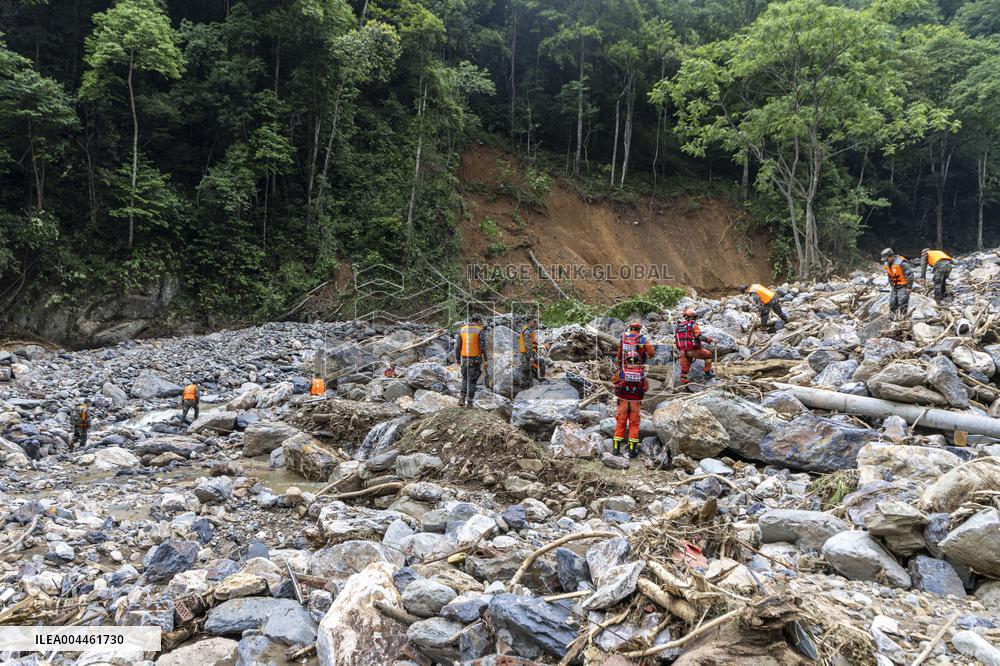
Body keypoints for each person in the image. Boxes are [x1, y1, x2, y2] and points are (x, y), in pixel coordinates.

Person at [612, 360, 648, 459]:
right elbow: (646, 387)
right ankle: (632, 451)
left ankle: (616, 450)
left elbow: (613, 381)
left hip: (623, 402)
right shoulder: (641, 373)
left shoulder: (621, 372)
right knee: (634, 426)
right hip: (635, 404)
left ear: (626, 362)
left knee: (620, 424)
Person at [674, 308, 714, 384]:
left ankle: (683, 382)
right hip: (694, 351)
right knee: (708, 354)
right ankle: (707, 373)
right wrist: (710, 340)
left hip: (683, 352)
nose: (695, 318)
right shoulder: (693, 325)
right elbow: (699, 336)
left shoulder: (679, 326)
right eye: (694, 317)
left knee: (684, 368)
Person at [456, 315, 486, 407]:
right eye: (481, 322)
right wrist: (486, 360)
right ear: (478, 321)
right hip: (474, 360)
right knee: (472, 381)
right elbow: (482, 347)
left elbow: (458, 346)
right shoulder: (480, 330)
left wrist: (457, 358)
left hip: (464, 358)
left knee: (465, 378)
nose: (481, 323)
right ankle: (469, 402)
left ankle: (461, 399)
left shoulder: (463, 329)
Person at [880, 248, 914, 320]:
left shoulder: (902, 263)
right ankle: (892, 318)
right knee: (892, 303)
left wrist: (909, 287)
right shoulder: (887, 264)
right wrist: (891, 285)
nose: (886, 261)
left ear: (891, 256)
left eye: (887, 258)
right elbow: (890, 275)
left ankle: (903, 318)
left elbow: (910, 275)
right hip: (895, 286)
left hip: (903, 286)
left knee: (902, 302)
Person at [518, 318, 540, 386]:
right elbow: (528, 346)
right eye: (534, 322)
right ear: (529, 322)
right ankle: (524, 388)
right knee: (526, 372)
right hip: (526, 355)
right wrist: (531, 357)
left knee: (528, 371)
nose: (536, 323)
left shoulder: (530, 331)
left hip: (527, 354)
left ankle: (529, 385)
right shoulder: (527, 332)